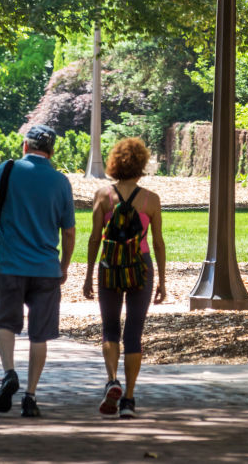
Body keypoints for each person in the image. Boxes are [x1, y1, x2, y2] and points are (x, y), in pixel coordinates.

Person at [0, 124, 76, 418]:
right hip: (46, 268)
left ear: (25, 146)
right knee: (39, 335)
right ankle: (30, 396)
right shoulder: (61, 182)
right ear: (51, 151)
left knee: (5, 323)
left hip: (10, 264)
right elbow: (69, 231)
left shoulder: (8, 169)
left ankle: (9, 372)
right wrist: (63, 266)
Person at [83, 137, 166, 419]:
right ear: (142, 164)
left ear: (114, 163)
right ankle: (129, 399)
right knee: (134, 333)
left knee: (109, 329)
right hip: (141, 266)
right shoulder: (151, 200)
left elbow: (95, 238)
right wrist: (162, 280)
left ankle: (112, 381)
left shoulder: (103, 196)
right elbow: (158, 243)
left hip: (110, 265)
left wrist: (87, 275)